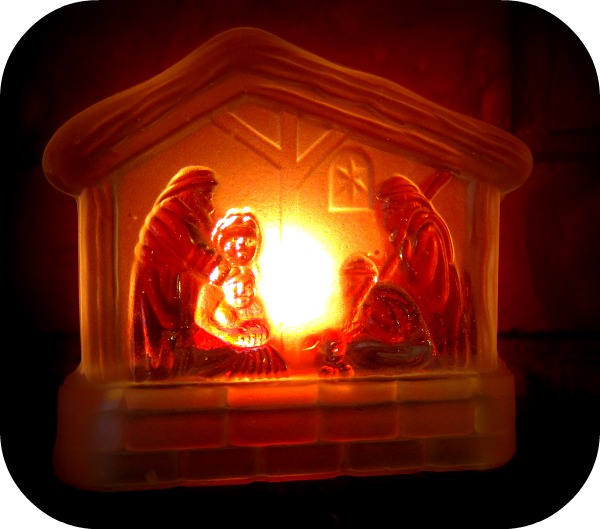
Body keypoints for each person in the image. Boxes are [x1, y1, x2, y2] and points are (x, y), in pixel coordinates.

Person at [129, 166, 222, 381]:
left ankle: (175, 364)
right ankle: (161, 369)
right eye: (206, 196)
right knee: (158, 332)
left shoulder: (189, 217)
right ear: (190, 193)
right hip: (157, 285)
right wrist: (221, 271)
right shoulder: (167, 213)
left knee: (178, 331)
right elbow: (189, 253)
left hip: (176, 284)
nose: (209, 204)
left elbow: (202, 248)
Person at [376, 176, 469, 365]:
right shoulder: (414, 233)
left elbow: (420, 280)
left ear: (401, 208)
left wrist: (402, 248)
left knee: (439, 355)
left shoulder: (427, 232)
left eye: (388, 210)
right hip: (425, 312)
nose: (385, 217)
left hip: (436, 313)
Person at [191, 208, 287, 379]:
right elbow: (202, 319)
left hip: (252, 350)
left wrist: (262, 332)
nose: (242, 248)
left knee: (269, 364)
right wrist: (228, 335)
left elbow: (265, 321)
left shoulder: (253, 283)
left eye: (249, 241)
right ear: (222, 244)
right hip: (221, 351)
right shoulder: (213, 288)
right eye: (234, 240)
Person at [339, 254, 435, 372]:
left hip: (413, 350)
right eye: (345, 282)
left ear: (367, 280)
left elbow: (394, 336)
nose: (347, 288)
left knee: (356, 352)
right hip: (400, 348)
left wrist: (358, 335)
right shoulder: (366, 303)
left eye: (352, 282)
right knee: (353, 350)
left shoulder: (378, 296)